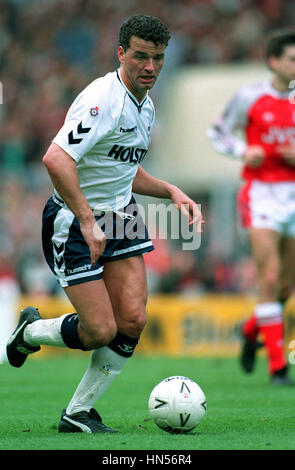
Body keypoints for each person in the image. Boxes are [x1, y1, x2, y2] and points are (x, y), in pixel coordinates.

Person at [6, 15, 201, 433]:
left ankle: (77, 414)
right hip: (76, 221)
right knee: (99, 330)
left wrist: (170, 191)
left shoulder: (146, 105)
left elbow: (122, 170)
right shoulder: (102, 100)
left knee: (132, 320)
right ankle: (30, 331)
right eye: (141, 57)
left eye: (158, 58)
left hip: (122, 215)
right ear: (121, 54)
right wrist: (87, 219)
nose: (150, 67)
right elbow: (56, 159)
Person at [208, 30, 295, 386]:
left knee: (285, 288)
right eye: (292, 58)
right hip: (261, 193)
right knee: (269, 278)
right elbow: (218, 132)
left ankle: (249, 331)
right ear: (274, 61)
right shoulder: (250, 97)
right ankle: (278, 368)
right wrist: (243, 151)